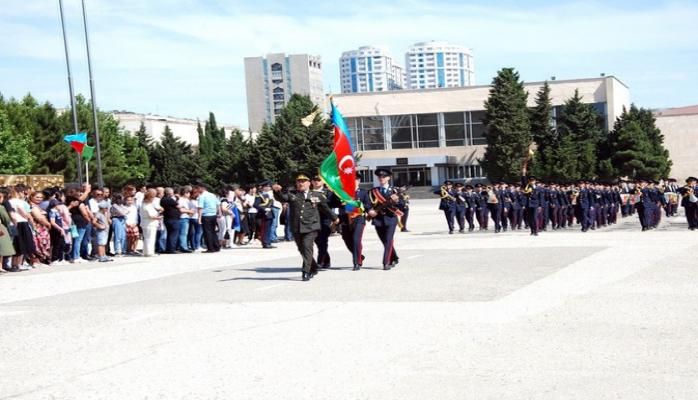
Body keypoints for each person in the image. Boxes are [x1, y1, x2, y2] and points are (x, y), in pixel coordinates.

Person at [272, 175, 338, 281]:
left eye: (303, 181)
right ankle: (314, 266)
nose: (301, 183)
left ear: (309, 183)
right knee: (302, 249)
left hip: (311, 227)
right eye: (299, 182)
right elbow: (282, 198)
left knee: (307, 247)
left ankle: (305, 271)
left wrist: (335, 218)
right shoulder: (292, 195)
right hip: (296, 227)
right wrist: (277, 192)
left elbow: (325, 208)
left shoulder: (317, 195)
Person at [328, 173, 371, 270]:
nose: (353, 181)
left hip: (358, 219)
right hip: (345, 219)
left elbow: (368, 205)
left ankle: (356, 262)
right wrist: (333, 192)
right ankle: (359, 255)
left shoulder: (363, 192)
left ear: (359, 181)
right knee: (347, 239)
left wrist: (360, 205)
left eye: (355, 179)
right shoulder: (342, 193)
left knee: (356, 239)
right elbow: (332, 203)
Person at [367, 169, 405, 270]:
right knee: (384, 241)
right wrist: (369, 211)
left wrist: (396, 201)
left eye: (383, 177)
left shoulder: (395, 190)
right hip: (378, 219)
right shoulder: (373, 191)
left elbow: (403, 205)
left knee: (388, 240)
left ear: (388, 178)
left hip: (391, 218)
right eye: (379, 177)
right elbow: (368, 204)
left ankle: (386, 262)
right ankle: (394, 257)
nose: (381, 178)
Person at [311, 175, 332, 267]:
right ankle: (326, 260)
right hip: (313, 220)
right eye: (314, 180)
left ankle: (320, 261)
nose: (316, 182)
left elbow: (332, 203)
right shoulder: (309, 193)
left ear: (323, 182)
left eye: (319, 180)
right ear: (311, 182)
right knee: (317, 241)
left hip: (325, 220)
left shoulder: (329, 192)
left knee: (323, 240)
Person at [196, 183, 221, 253]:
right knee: (213, 231)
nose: (197, 190)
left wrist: (199, 218)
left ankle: (210, 248)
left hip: (206, 215)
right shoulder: (212, 195)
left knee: (207, 232)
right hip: (213, 215)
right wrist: (219, 213)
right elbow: (218, 204)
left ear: (202, 188)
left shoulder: (202, 196)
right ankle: (216, 246)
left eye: (198, 188)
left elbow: (200, 208)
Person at [140, 189, 161, 257]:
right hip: (149, 223)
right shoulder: (146, 205)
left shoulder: (145, 204)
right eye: (152, 197)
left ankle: (146, 252)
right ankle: (149, 252)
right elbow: (151, 216)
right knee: (150, 238)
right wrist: (158, 217)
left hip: (147, 223)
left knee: (147, 238)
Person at [254, 181, 274, 249]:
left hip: (269, 214)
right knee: (264, 229)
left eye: (269, 186)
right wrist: (264, 209)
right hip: (263, 214)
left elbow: (270, 203)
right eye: (267, 186)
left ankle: (268, 242)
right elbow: (255, 205)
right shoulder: (259, 195)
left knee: (269, 229)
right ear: (263, 187)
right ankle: (265, 243)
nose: (269, 188)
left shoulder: (268, 195)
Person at [161, 187, 182, 254]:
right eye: (172, 193)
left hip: (168, 218)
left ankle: (168, 248)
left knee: (170, 234)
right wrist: (178, 199)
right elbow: (179, 206)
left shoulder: (163, 199)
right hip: (173, 219)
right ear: (169, 193)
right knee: (174, 234)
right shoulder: (169, 199)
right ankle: (171, 249)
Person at [177, 186, 195, 252]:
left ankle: (184, 245)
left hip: (187, 217)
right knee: (183, 233)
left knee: (185, 233)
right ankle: (183, 247)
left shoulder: (187, 200)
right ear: (185, 193)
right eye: (188, 193)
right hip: (182, 218)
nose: (189, 194)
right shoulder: (181, 200)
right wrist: (189, 211)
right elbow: (180, 210)